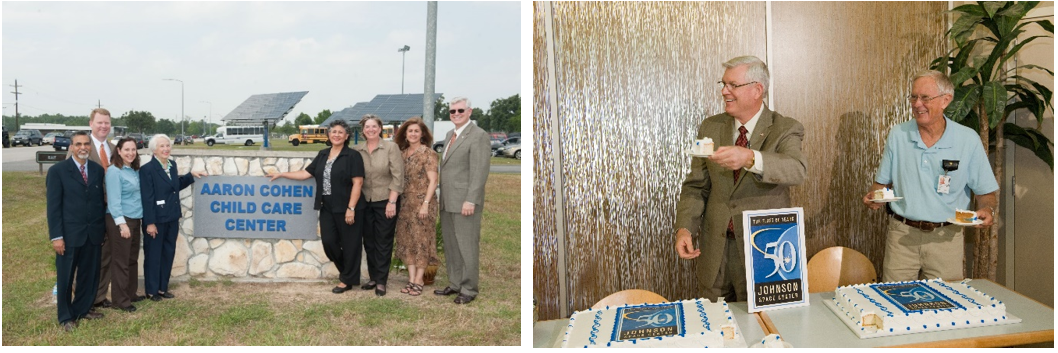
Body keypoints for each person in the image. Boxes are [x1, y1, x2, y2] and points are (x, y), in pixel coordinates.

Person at [673, 56, 807, 302]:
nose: (725, 91)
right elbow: (696, 185)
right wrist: (685, 227)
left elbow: (797, 169)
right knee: (717, 325)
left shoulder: (785, 128)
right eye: (724, 84)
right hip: (715, 251)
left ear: (757, 90)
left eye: (733, 85)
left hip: (764, 254)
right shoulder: (710, 127)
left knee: (762, 327)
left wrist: (750, 158)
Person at [862, 70, 998, 282]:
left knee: (946, 306)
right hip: (901, 237)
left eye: (925, 97)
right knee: (896, 302)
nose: (917, 104)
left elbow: (986, 193)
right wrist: (874, 197)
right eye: (914, 97)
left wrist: (987, 209)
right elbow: (880, 186)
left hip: (946, 238)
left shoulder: (968, 140)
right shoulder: (898, 135)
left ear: (946, 100)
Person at [268, 120, 366, 294]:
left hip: (348, 207)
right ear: (329, 135)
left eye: (340, 132)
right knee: (329, 242)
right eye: (333, 131)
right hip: (327, 206)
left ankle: (346, 280)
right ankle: (348, 274)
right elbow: (306, 174)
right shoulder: (322, 154)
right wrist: (282, 173)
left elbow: (358, 183)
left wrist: (351, 208)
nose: (336, 135)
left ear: (347, 136)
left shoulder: (352, 156)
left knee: (351, 245)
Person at [433, 97, 491, 305]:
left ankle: (469, 288)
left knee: (466, 245)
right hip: (448, 200)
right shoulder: (450, 135)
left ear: (469, 111)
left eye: (460, 110)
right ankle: (455, 283)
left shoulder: (478, 136)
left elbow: (479, 171)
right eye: (452, 112)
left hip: (465, 202)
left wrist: (471, 200)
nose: (456, 114)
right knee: (451, 244)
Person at [47, 131, 106, 331]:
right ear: (71, 147)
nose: (83, 147)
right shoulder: (58, 171)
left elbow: (98, 202)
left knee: (89, 276)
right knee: (65, 277)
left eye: (86, 144)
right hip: (69, 235)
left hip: (93, 234)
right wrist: (57, 236)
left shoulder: (98, 170)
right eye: (78, 144)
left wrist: (102, 230)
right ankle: (65, 317)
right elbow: (53, 207)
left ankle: (83, 309)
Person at [140, 134, 206, 301]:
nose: (166, 149)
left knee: (168, 253)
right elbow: (147, 198)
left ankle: (163, 288)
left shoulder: (172, 165)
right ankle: (152, 291)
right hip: (156, 220)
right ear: (154, 150)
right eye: (162, 146)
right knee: (154, 255)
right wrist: (150, 223)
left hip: (171, 217)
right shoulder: (147, 170)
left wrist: (191, 176)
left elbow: (174, 185)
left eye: (167, 146)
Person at [67, 108, 117, 310]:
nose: (103, 126)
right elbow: (70, 182)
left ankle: (98, 296)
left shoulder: (115, 149)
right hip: (86, 215)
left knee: (106, 255)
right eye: (99, 122)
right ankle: (82, 299)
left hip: (110, 212)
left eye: (106, 122)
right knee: (85, 258)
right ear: (91, 124)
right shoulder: (81, 147)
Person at [352, 114, 404, 296]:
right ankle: (373, 277)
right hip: (364, 202)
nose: (371, 129)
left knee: (383, 241)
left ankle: (382, 281)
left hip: (385, 200)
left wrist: (392, 201)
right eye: (367, 127)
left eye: (374, 126)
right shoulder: (357, 149)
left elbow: (398, 176)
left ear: (380, 128)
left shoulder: (391, 147)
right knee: (370, 241)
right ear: (363, 130)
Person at [393, 117, 440, 296]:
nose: (413, 134)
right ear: (405, 134)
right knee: (406, 240)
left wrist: (425, 204)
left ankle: (420, 279)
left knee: (421, 240)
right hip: (405, 203)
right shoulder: (402, 153)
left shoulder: (428, 153)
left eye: (416, 131)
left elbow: (433, 181)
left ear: (422, 134)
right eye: (410, 131)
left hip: (423, 202)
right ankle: (411, 279)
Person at [105, 138, 145, 312]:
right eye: (126, 149)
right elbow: (113, 201)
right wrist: (122, 225)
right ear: (119, 151)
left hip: (136, 218)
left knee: (132, 259)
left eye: (133, 149)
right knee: (120, 261)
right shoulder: (114, 171)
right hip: (120, 220)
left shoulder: (134, 170)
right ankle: (120, 300)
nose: (130, 153)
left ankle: (130, 293)